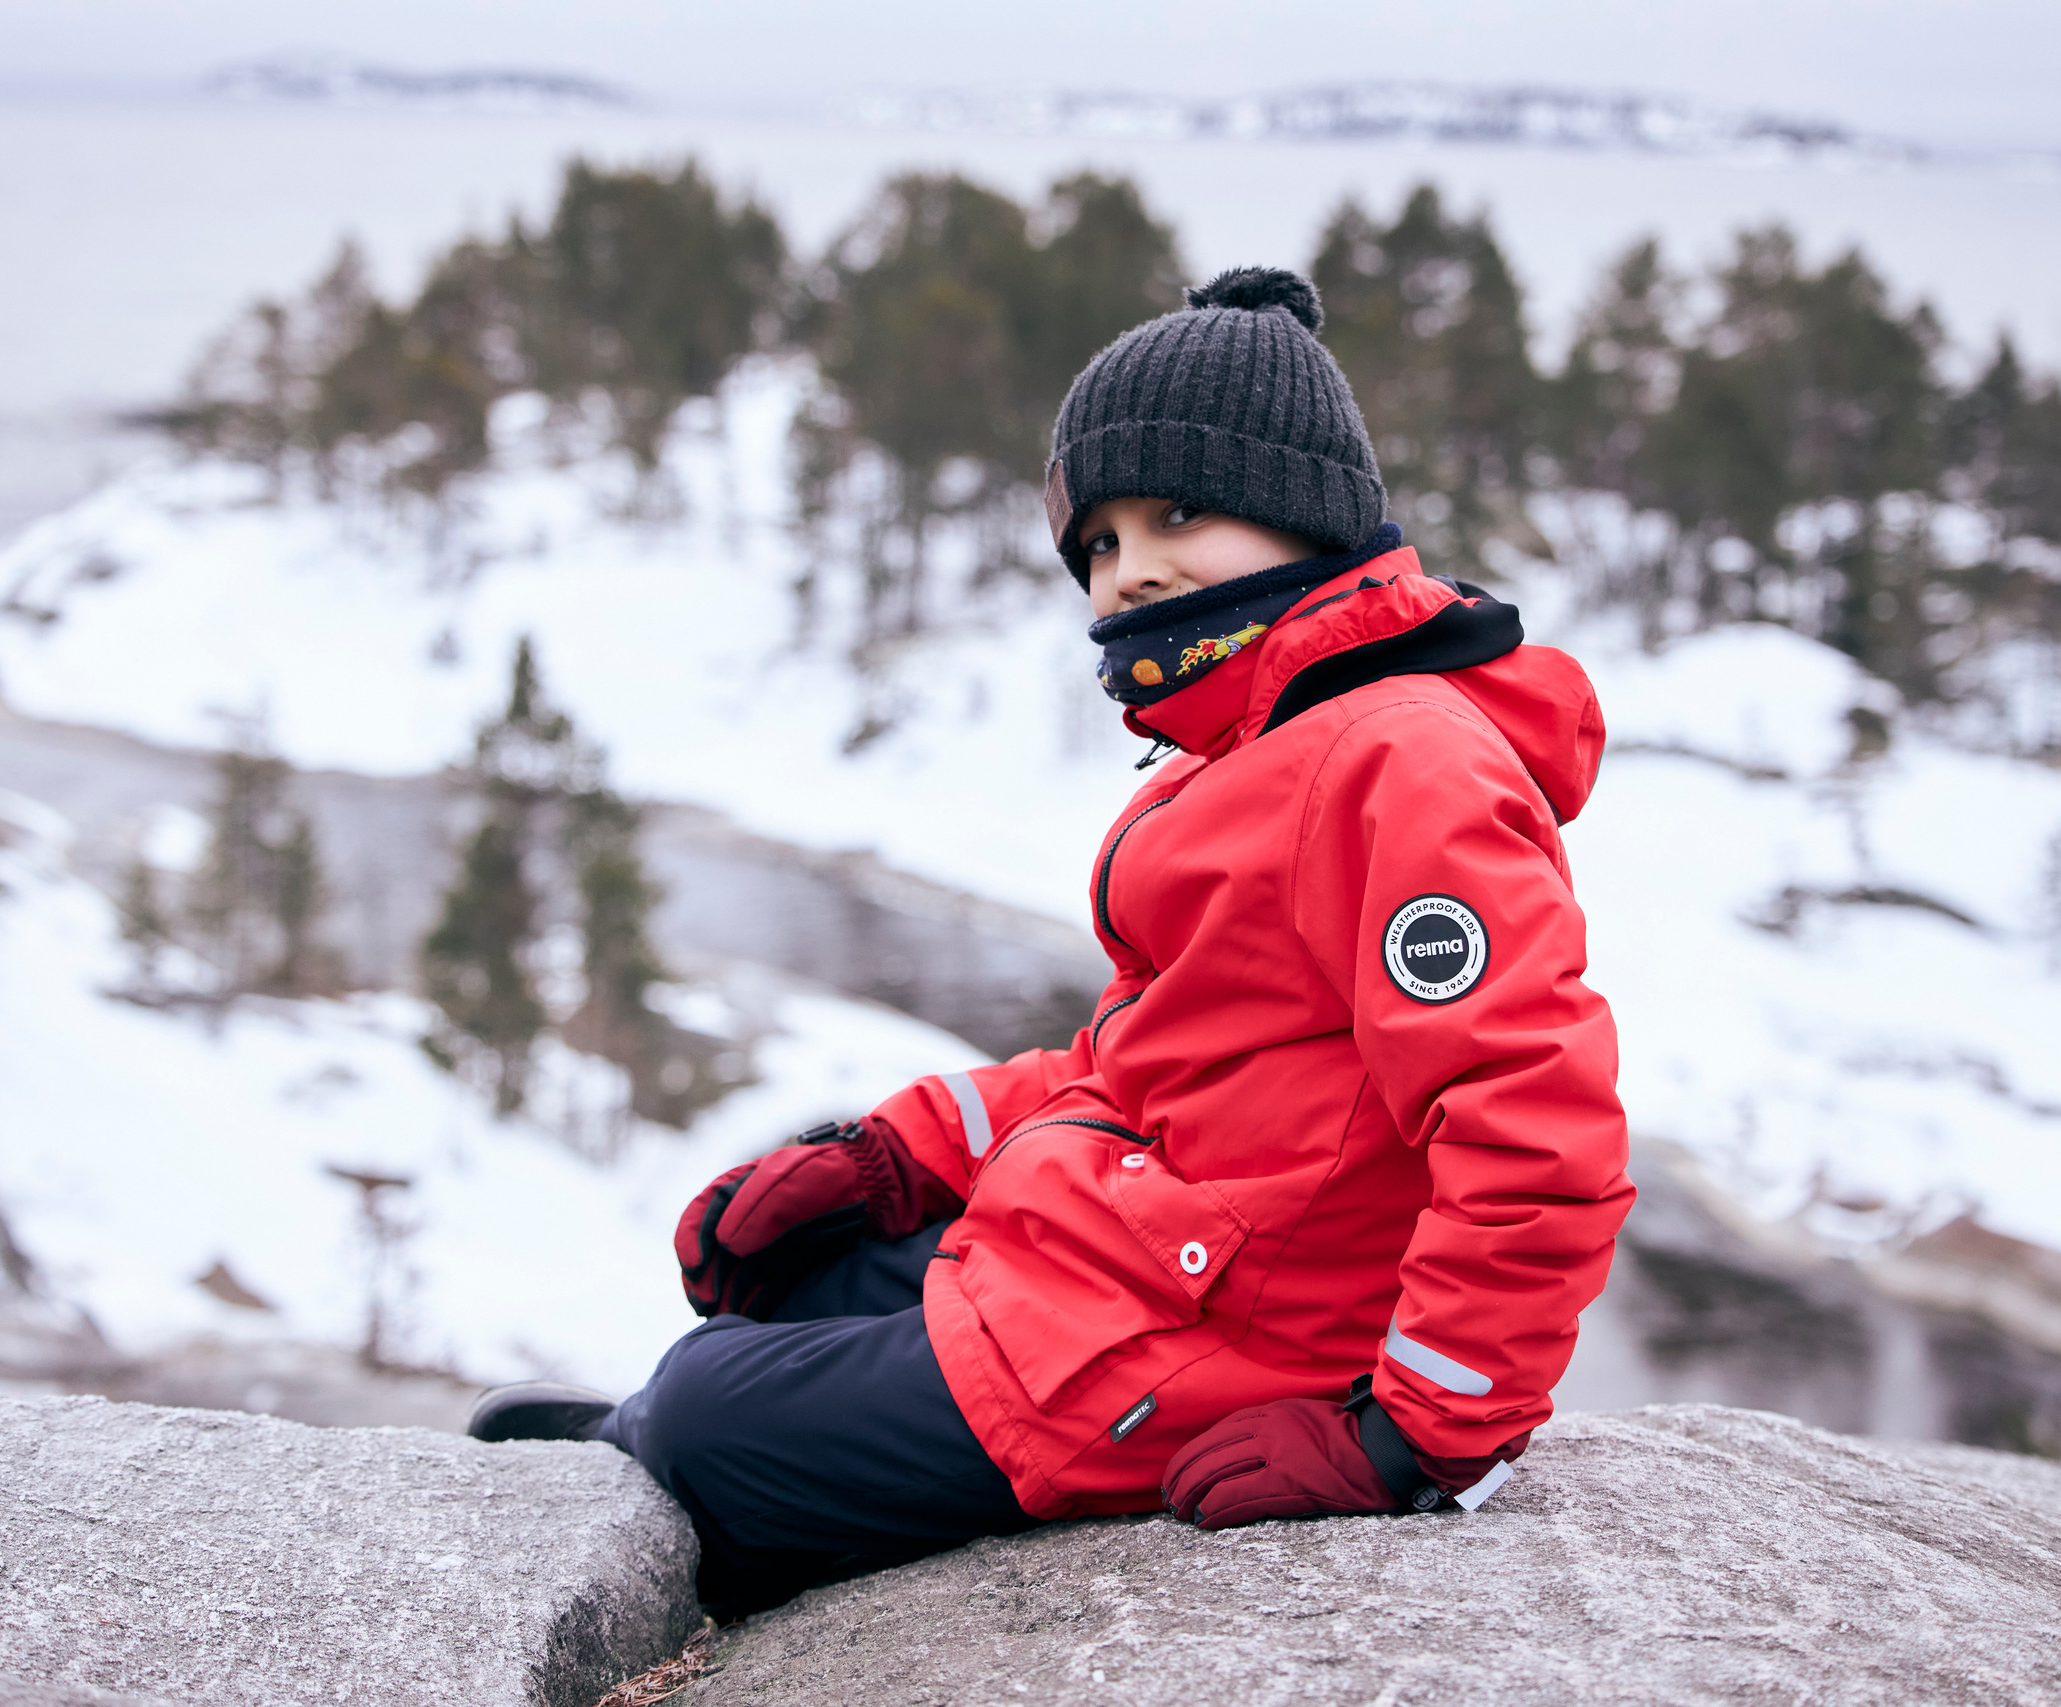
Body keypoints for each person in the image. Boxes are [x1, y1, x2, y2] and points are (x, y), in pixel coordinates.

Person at [468, 266, 1632, 1621]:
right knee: (797, 1286)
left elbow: (1534, 1121)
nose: (1129, 567)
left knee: (704, 1414)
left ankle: (681, 1470)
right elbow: (1148, 1067)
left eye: (1178, 512)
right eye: (1097, 542)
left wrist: (1416, 1436)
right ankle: (704, 1444)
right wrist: (900, 1154)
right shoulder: (1259, 747)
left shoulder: (1397, 764)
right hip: (1142, 1261)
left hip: (1230, 1335)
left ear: (1305, 504)